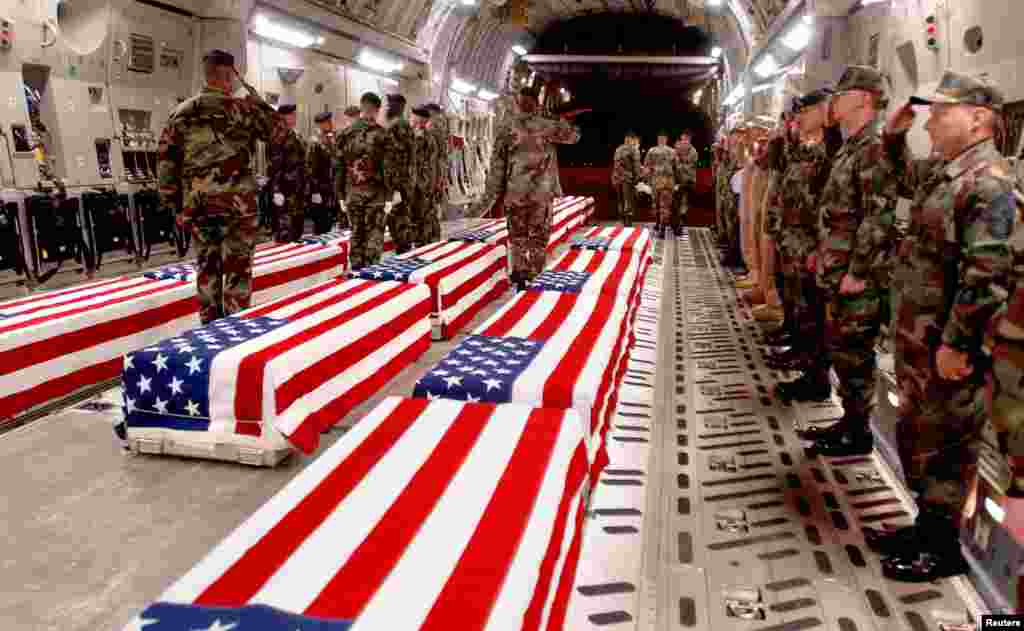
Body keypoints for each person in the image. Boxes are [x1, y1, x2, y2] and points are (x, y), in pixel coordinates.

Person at [868, 71, 1017, 582]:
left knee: (949, 442)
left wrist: (957, 343)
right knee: (921, 435)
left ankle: (944, 547)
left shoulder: (990, 182)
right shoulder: (946, 172)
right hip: (919, 338)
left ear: (978, 118)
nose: (930, 120)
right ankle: (926, 526)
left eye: (942, 110)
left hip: (948, 345)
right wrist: (892, 136)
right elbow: (900, 181)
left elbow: (989, 271)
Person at [804, 65, 902, 458]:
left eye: (843, 95)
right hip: (839, 267)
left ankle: (858, 432)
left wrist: (859, 272)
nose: (835, 103)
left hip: (856, 275)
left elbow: (878, 215)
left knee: (856, 353)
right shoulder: (852, 145)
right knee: (844, 351)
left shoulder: (874, 146)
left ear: (863, 99)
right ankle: (850, 421)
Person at [157, 49, 288, 325]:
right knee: (238, 271)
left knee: (207, 269)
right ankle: (234, 334)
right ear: (230, 77)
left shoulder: (180, 113)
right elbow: (280, 133)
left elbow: (167, 163)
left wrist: (175, 207)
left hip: (199, 206)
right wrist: (256, 99)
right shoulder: (245, 109)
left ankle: (209, 333)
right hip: (238, 208)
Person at [762, 90, 842, 389]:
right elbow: (784, 178)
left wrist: (820, 247)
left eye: (805, 112)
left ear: (822, 112)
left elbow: (828, 203)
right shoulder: (804, 147)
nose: (799, 118)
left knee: (813, 311)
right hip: (792, 240)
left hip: (810, 244)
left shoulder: (830, 150)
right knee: (798, 303)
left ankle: (816, 377)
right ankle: (801, 356)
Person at [473, 85, 580, 290]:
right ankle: (536, 277)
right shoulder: (548, 126)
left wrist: (491, 197)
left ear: (518, 102)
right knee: (538, 238)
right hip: (542, 194)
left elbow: (497, 166)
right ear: (537, 103)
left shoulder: (506, 128)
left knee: (517, 237)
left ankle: (519, 276)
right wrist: (556, 117)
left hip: (515, 193)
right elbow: (575, 136)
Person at [336, 92, 394, 270]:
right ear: (377, 110)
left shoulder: (344, 134)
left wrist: (340, 195)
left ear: (361, 108)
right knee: (374, 236)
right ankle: (370, 277)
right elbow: (389, 168)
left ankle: (356, 276)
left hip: (352, 194)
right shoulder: (382, 135)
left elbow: (338, 167)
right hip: (375, 196)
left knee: (356, 234)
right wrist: (390, 195)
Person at [267, 103, 308, 242]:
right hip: (285, 190)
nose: (295, 117)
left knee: (297, 229)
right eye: (292, 115)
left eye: (295, 114)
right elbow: (274, 164)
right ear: (283, 116)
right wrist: (276, 190)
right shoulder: (278, 134)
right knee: (285, 231)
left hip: (297, 190)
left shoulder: (295, 134)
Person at [383, 94, 416, 253]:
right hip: (401, 182)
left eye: (391, 104)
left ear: (399, 106)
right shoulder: (399, 125)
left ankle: (404, 257)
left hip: (398, 184)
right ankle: (404, 253)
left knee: (399, 223)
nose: (388, 107)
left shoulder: (399, 125)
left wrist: (394, 187)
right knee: (398, 222)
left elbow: (398, 159)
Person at [410, 105, 440, 248]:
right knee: (422, 218)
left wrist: (433, 185)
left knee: (423, 219)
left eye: (413, 118)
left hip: (421, 187)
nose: (411, 120)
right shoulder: (426, 138)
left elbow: (432, 164)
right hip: (421, 186)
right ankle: (425, 245)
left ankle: (424, 247)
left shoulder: (425, 139)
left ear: (419, 120)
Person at [643, 130, 680, 239]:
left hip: (656, 183)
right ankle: (662, 227)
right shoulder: (672, 152)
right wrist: (677, 182)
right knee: (665, 206)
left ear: (658, 139)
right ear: (665, 139)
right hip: (668, 183)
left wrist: (647, 181)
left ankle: (659, 224)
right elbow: (677, 168)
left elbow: (646, 167)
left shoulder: (651, 151)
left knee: (657, 204)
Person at [307, 110, 337, 235]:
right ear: (320, 124)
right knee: (321, 225)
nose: (331, 124)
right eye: (328, 122)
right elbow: (310, 168)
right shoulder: (315, 142)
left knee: (329, 223)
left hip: (330, 189)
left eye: (330, 121)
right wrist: (314, 191)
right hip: (320, 189)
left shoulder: (329, 139)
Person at [425, 103, 449, 243]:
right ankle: (434, 240)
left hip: (432, 177)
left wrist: (438, 180)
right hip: (436, 175)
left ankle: (432, 241)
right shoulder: (440, 127)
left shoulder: (434, 129)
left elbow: (436, 158)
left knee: (430, 211)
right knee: (432, 211)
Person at [612, 131, 642, 226]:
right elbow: (636, 165)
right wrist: (637, 177)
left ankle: (621, 219)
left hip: (617, 178)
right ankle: (628, 222)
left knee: (620, 200)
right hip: (628, 179)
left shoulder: (618, 149)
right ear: (632, 139)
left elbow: (616, 164)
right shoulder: (634, 149)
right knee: (629, 200)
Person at [673, 131, 698, 232]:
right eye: (682, 139)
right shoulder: (677, 150)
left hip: (688, 181)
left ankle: (680, 224)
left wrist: (679, 161)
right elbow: (674, 163)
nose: (683, 141)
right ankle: (676, 223)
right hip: (678, 181)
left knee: (684, 202)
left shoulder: (693, 152)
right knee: (676, 203)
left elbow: (688, 166)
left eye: (685, 139)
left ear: (689, 139)